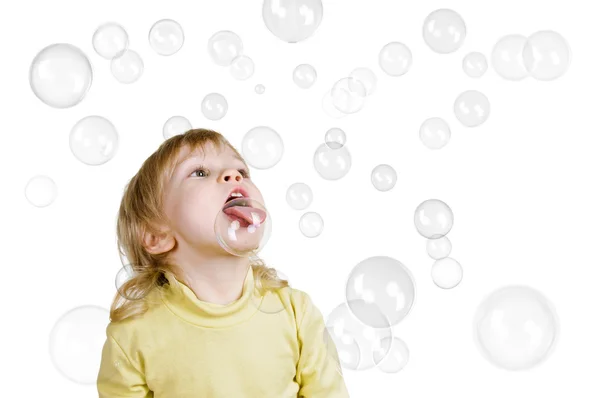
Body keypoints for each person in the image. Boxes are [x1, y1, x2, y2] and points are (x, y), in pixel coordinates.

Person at [96, 128, 350, 397]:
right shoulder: (133, 333)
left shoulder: (296, 312)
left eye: (242, 170)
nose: (234, 175)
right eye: (200, 172)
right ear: (157, 235)